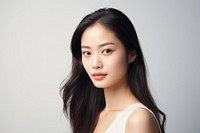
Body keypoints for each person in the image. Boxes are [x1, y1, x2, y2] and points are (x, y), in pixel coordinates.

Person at [60, 8, 166, 133]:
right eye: (87, 53)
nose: (95, 64)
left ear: (131, 54)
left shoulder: (138, 119)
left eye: (107, 51)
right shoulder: (93, 116)